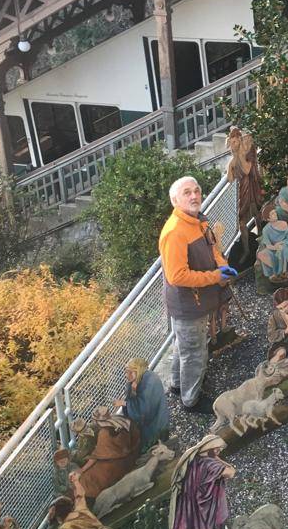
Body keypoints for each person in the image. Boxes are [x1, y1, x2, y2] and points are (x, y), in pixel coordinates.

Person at [159, 175, 237, 413]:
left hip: (196, 300)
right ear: (175, 200)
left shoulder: (197, 221)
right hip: (188, 304)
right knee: (194, 352)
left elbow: (212, 247)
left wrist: (221, 263)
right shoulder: (175, 232)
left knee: (184, 346)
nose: (194, 196)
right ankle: (191, 400)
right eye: (187, 193)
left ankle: (177, 385)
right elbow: (177, 276)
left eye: (196, 191)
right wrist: (215, 277)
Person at [168, 435, 235, 529]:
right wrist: (218, 459)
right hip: (205, 510)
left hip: (191, 503)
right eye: (217, 450)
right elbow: (231, 472)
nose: (218, 453)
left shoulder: (193, 462)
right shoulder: (209, 463)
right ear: (210, 448)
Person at [77, 407, 141, 499]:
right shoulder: (120, 420)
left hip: (118, 462)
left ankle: (94, 498)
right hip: (130, 454)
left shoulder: (104, 433)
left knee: (87, 478)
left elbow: (96, 456)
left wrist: (82, 470)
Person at [114, 357, 170, 452]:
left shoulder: (150, 383)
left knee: (143, 447)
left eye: (130, 372)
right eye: (126, 372)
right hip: (149, 419)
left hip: (155, 423)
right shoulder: (138, 380)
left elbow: (144, 410)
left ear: (138, 370)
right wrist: (132, 391)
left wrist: (124, 403)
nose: (127, 375)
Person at [257, 209, 288, 279]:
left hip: (286, 245)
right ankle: (277, 272)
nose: (275, 214)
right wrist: (275, 247)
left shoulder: (283, 223)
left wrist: (281, 243)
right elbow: (268, 246)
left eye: (275, 212)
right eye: (272, 214)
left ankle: (287, 272)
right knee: (260, 254)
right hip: (274, 248)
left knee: (283, 249)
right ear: (268, 218)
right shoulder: (266, 229)